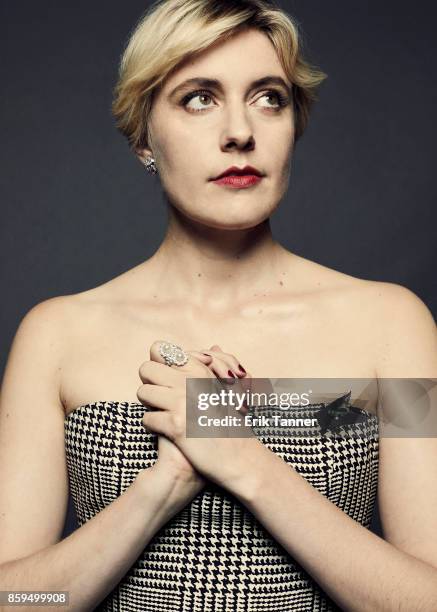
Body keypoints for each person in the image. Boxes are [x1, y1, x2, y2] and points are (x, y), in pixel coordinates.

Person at [1, 0, 436, 610]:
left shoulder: (393, 323)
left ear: (294, 126)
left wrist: (241, 458)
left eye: (269, 98)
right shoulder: (55, 335)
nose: (240, 131)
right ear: (143, 136)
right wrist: (164, 482)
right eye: (198, 97)